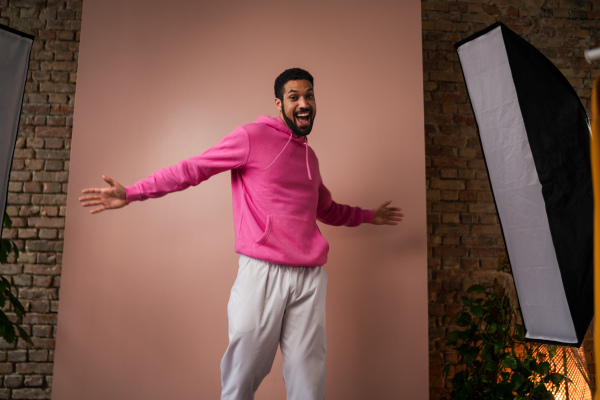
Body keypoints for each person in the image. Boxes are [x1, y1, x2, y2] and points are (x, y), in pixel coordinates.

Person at [79, 68, 403, 400]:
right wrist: (132, 192)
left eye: (309, 95)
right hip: (262, 273)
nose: (304, 103)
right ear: (279, 103)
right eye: (294, 97)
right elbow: (193, 169)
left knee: (309, 380)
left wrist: (369, 216)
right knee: (242, 375)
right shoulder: (252, 137)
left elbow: (326, 209)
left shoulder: (310, 157)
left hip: (310, 278)